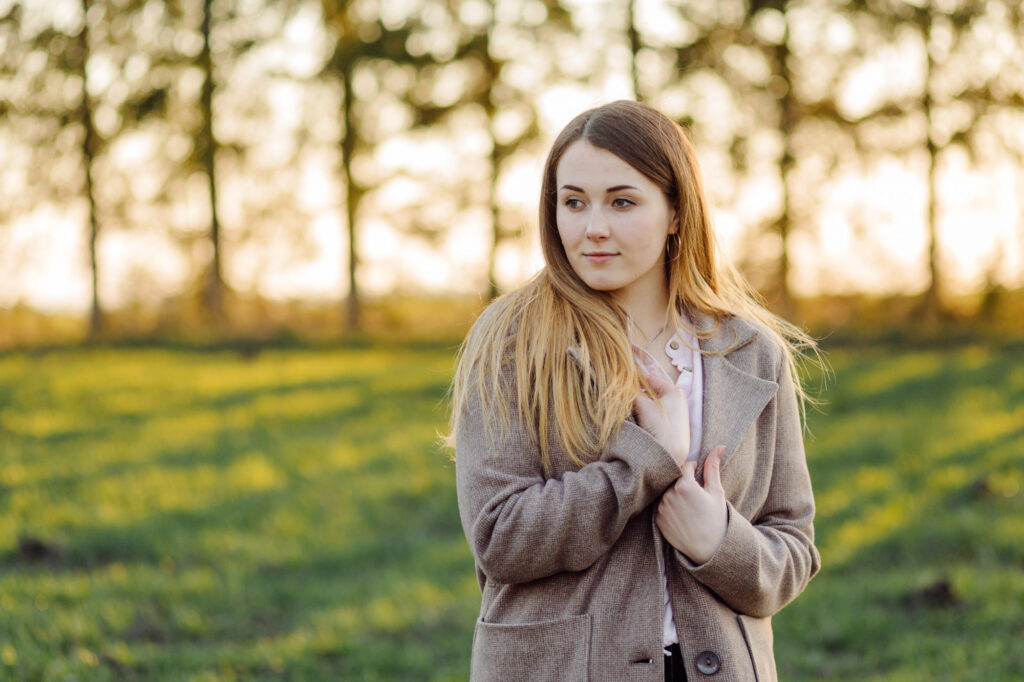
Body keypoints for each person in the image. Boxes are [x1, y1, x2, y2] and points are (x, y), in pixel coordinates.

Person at [448, 100, 822, 682]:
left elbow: (793, 549)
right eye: (574, 202)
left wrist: (718, 542)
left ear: (676, 211)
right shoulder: (514, 342)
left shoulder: (752, 352)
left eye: (622, 202)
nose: (593, 227)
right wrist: (643, 465)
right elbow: (500, 536)